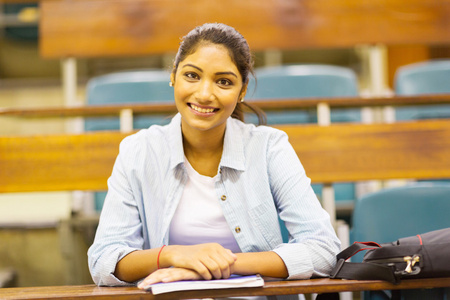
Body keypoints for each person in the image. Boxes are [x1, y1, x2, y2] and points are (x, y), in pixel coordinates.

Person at [87, 23, 341, 299]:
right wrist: (174, 255)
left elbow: (324, 250)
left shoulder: (269, 147)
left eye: (224, 81)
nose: (205, 94)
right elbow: (103, 260)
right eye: (192, 75)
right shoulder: (139, 151)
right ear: (173, 77)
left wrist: (212, 266)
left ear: (242, 91)